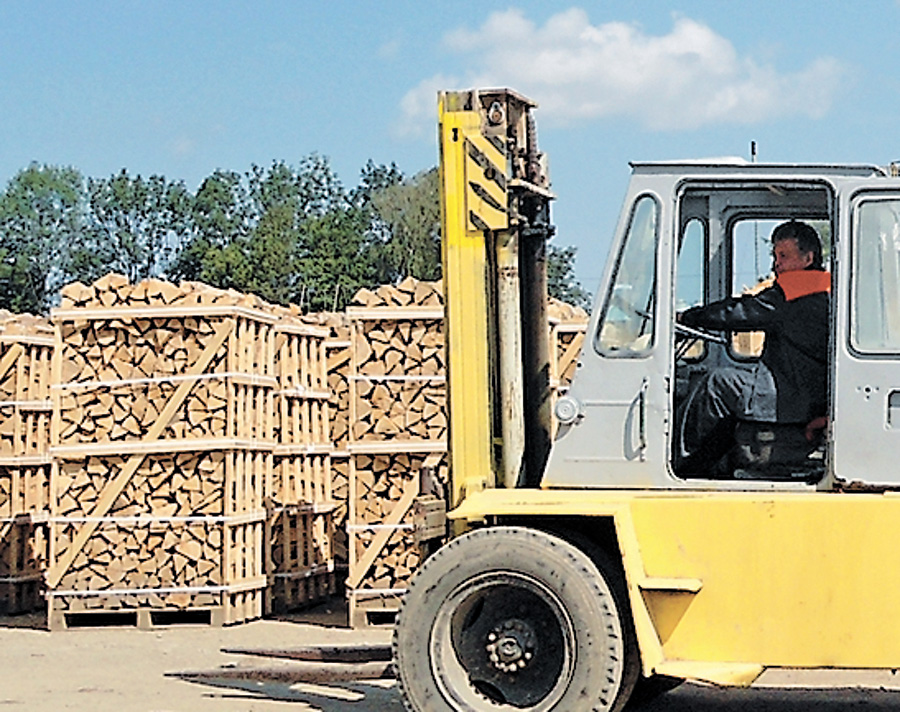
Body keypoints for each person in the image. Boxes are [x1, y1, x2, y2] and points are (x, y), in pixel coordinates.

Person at [674, 220, 830, 476]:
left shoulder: (793, 293)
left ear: (808, 258)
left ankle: (679, 465)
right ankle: (714, 463)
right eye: (775, 256)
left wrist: (687, 318)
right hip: (808, 393)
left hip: (790, 395)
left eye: (783, 256)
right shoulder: (825, 290)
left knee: (718, 383)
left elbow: (740, 312)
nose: (776, 264)